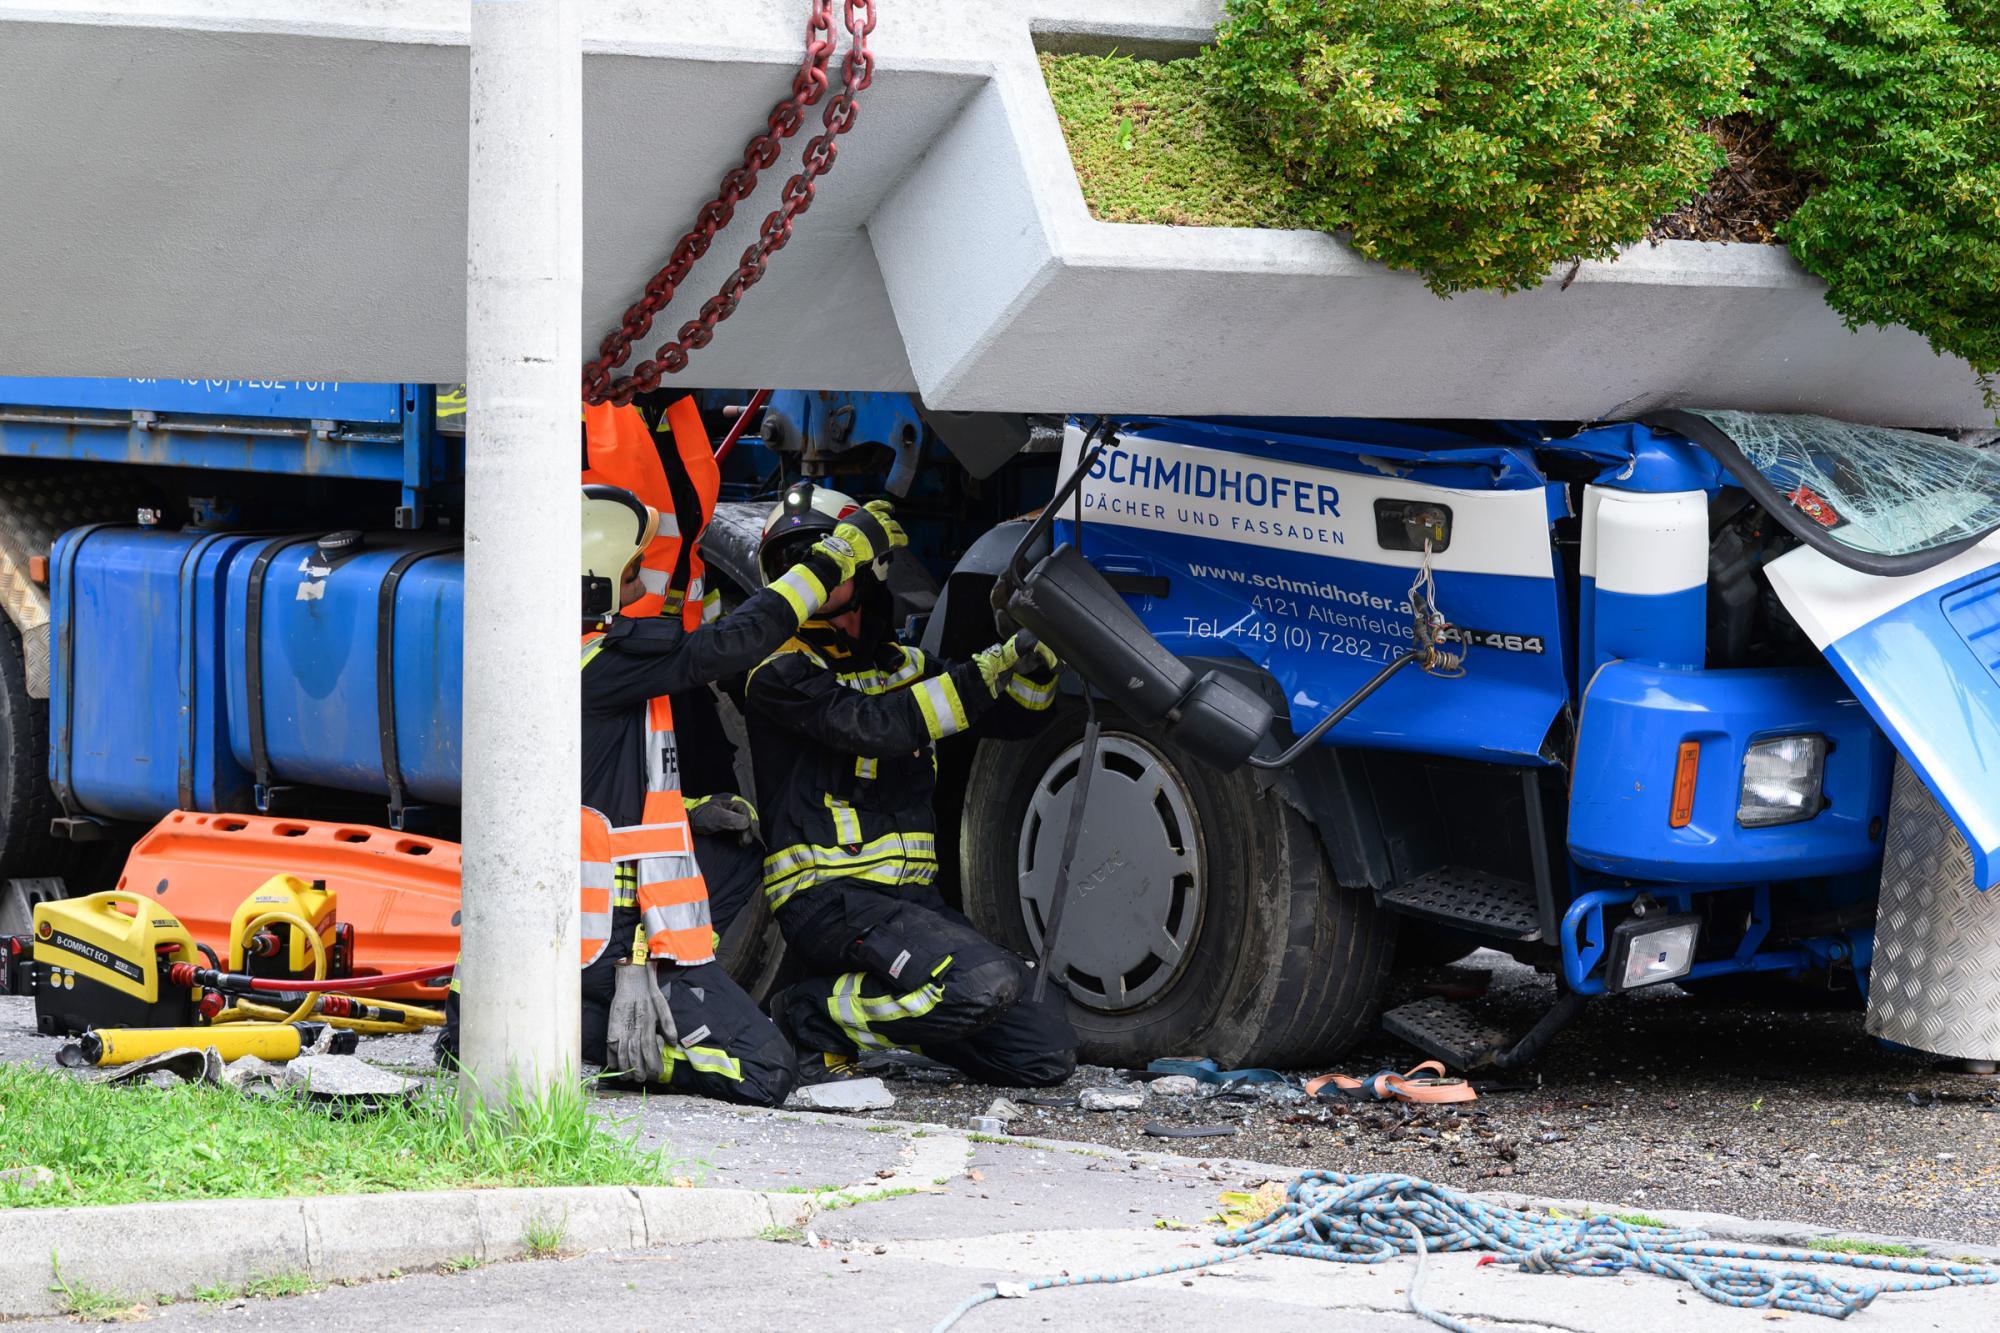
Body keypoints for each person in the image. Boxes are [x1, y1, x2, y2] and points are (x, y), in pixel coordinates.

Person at [440, 451, 907, 1107]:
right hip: (599, 946)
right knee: (765, 1069)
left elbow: (596, 805)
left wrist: (690, 810)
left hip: (548, 935)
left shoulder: (556, 660)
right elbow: (742, 637)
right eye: (632, 567)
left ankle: (523, 1024)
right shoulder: (606, 665)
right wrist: (832, 560)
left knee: (736, 849)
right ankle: (592, 1039)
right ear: (597, 578)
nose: (643, 577)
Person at [746, 482, 1079, 1088]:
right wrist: (987, 669)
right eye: (789, 563)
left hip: (908, 902)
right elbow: (881, 727)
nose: (807, 576)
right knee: (977, 983)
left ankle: (877, 1011)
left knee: (1043, 1049)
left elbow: (1018, 715)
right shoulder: (778, 672)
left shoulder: (908, 667)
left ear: (870, 572)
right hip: (829, 898)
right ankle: (809, 1014)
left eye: (818, 558)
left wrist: (1035, 658)